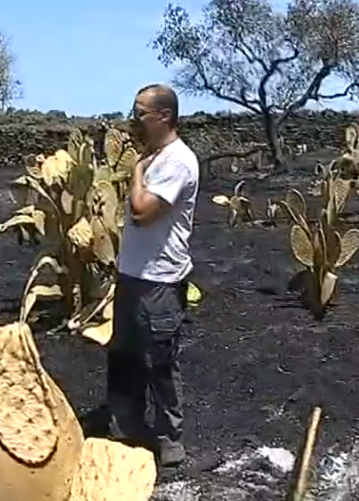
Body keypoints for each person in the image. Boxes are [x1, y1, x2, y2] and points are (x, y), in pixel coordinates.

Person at [105, 83, 199, 467]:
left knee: (158, 362)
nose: (134, 118)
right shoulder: (158, 154)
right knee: (124, 356)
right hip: (132, 276)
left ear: (164, 116)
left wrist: (137, 171)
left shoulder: (177, 161)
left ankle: (170, 443)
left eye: (141, 112)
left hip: (159, 281)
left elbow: (143, 214)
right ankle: (127, 427)